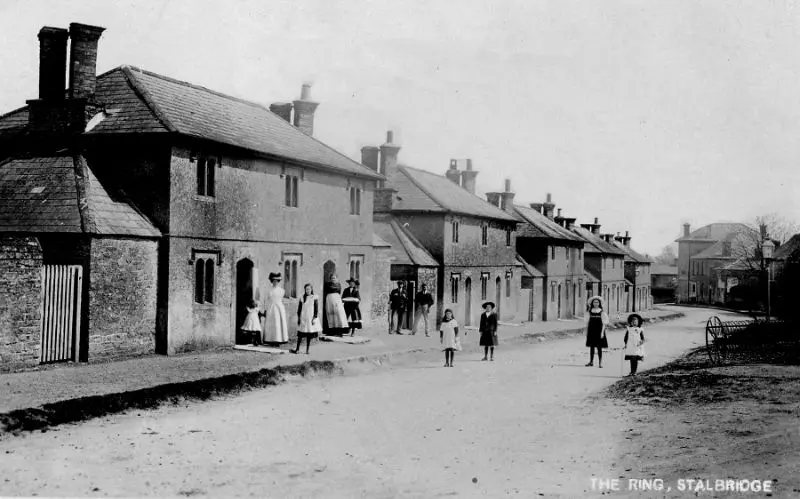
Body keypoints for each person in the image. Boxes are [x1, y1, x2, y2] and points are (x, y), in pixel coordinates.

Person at [261, 272, 289, 344]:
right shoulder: (268, 290)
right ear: (271, 281)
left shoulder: (282, 290)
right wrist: (265, 309)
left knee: (278, 323)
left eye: (276, 281)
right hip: (271, 307)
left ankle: (279, 339)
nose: (275, 282)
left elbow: (282, 300)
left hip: (279, 308)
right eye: (273, 281)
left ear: (278, 281)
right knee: (271, 323)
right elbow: (266, 300)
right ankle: (270, 339)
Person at [295, 283, 322, 354]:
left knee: (309, 335)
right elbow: (299, 309)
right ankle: (297, 349)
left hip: (310, 318)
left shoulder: (314, 297)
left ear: (311, 289)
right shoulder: (302, 298)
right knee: (300, 334)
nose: (307, 290)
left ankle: (307, 350)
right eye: (306, 289)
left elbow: (316, 309)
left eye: (309, 289)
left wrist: (314, 318)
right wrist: (298, 318)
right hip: (303, 317)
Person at [584, 296, 609, 368]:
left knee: (599, 347)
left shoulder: (602, 312)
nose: (596, 303)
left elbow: (604, 323)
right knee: (592, 347)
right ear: (592, 303)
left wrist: (602, 332)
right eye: (594, 302)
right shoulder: (589, 312)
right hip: (591, 331)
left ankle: (600, 363)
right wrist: (586, 331)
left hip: (599, 331)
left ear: (599, 303)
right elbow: (587, 323)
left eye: (597, 302)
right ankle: (591, 362)